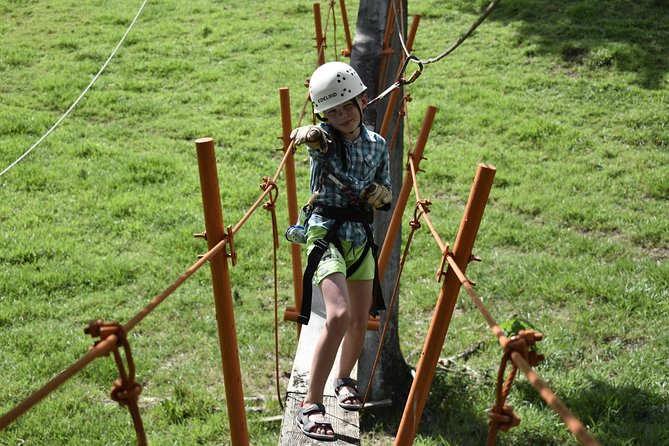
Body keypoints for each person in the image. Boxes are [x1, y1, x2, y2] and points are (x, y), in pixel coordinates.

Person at [289, 61, 392, 441]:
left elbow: (386, 187)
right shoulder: (324, 141)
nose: (342, 116)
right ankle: (311, 404)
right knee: (339, 314)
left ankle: (343, 378)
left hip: (359, 235)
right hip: (326, 232)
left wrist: (382, 196)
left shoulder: (377, 145)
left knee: (360, 316)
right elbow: (318, 142)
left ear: (362, 100)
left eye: (347, 105)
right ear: (322, 115)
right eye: (332, 111)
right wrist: (312, 134)